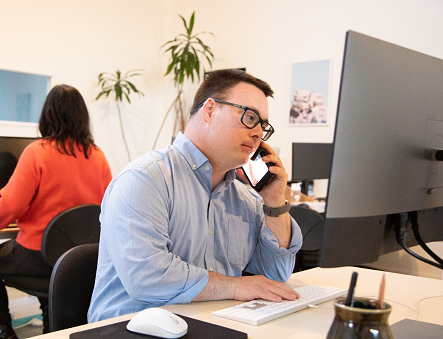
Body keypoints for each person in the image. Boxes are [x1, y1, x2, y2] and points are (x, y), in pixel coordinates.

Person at [88, 69, 302, 322]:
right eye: (250, 117)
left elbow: (275, 274)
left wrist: (274, 200)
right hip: (130, 328)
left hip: (210, 324)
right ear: (210, 110)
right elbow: (146, 278)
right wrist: (235, 286)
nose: (257, 132)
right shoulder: (144, 179)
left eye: (263, 126)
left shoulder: (246, 200)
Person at [0, 84, 113, 339]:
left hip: (37, 256)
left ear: (47, 115)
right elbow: (108, 208)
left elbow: (9, 208)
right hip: (80, 260)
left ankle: (3, 332)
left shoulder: (37, 152)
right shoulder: (97, 156)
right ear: (82, 117)